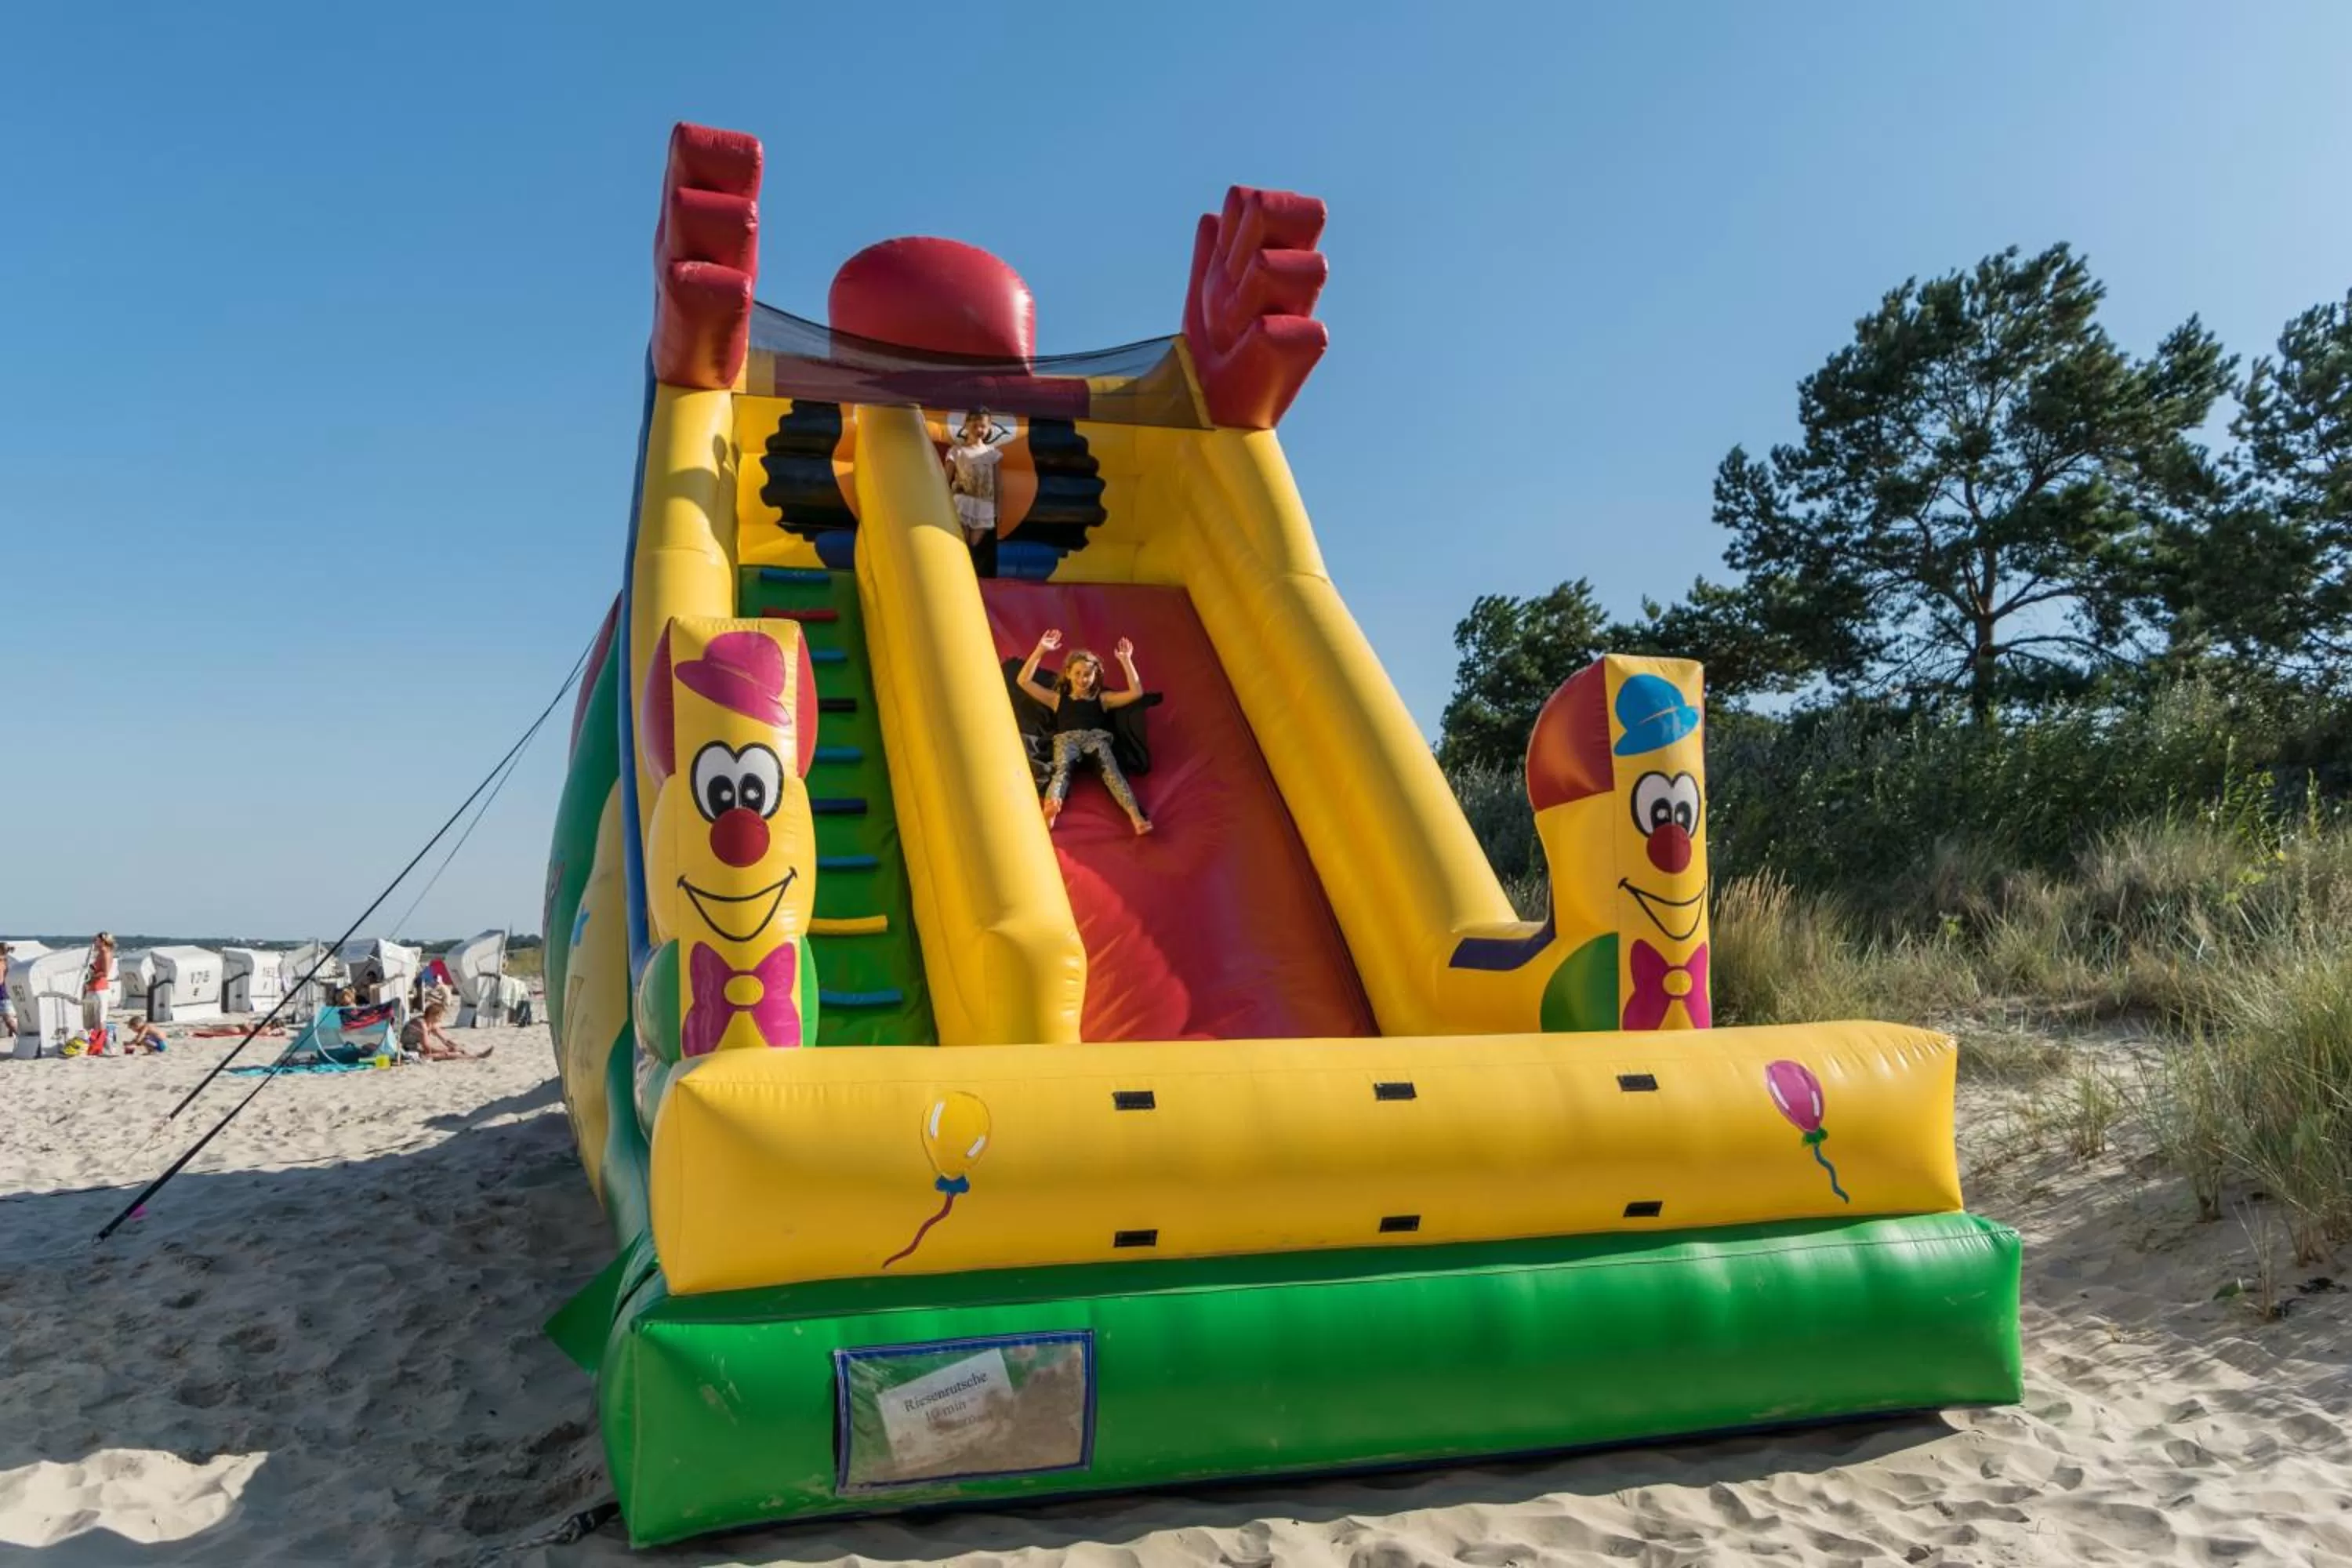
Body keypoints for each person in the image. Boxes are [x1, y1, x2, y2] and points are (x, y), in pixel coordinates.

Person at [1015, 630, 1154, 834]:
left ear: (1095, 675)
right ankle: (1051, 810)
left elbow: (1136, 693)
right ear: (1069, 674)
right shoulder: (1057, 699)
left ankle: (1136, 817)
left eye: (1088, 674)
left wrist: (1126, 660)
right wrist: (1041, 650)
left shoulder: (1103, 699)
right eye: (1078, 673)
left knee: (1112, 771)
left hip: (1095, 739)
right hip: (1067, 739)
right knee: (1061, 770)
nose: (1082, 679)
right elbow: (1023, 682)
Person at [944, 410, 1015, 577]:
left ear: (989, 428)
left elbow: (998, 484)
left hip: (984, 504)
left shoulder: (992, 454)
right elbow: (945, 480)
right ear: (966, 426)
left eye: (983, 426)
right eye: (975, 425)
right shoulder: (957, 451)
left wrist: (999, 508)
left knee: (979, 545)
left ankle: (979, 580)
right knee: (962, 543)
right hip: (962, 503)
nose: (979, 430)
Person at [401, 1000, 492, 1062]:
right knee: (446, 1054)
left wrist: (455, 1046)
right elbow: (427, 1048)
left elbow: (445, 1040)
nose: (441, 1018)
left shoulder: (430, 1023)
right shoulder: (422, 1024)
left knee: (454, 1049)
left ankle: (471, 1055)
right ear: (433, 1015)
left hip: (418, 1048)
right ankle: (474, 1057)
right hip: (408, 1050)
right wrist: (448, 1050)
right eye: (440, 1015)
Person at [83, 933, 114, 1054]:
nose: (95, 942)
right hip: (92, 988)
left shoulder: (106, 954)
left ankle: (103, 1046)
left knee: (100, 1019)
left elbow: (105, 973)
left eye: (97, 941)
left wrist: (91, 977)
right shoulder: (99, 954)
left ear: (103, 941)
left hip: (100, 989)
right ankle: (96, 1045)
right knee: (90, 1019)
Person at [0, 943, 16, 1044]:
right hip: (3, 991)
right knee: (9, 1020)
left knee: (9, 1020)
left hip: (3, 991)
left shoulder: (3, 960)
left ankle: (20, 1036)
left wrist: (7, 949)